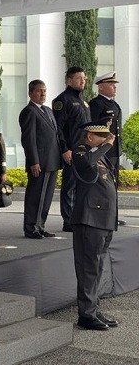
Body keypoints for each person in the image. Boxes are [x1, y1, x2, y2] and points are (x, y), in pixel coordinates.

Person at [70, 121, 119, 331]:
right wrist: (106, 145)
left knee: (96, 268)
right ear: (90, 137)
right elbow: (88, 164)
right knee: (88, 268)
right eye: (102, 137)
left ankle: (93, 309)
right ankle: (86, 315)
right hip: (89, 220)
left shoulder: (99, 155)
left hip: (103, 220)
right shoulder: (81, 153)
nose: (107, 140)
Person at [19, 79, 62, 239]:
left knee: (47, 197)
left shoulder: (48, 111)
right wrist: (34, 161)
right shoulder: (29, 111)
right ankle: (31, 227)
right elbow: (29, 139)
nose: (43, 94)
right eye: (39, 91)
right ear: (30, 93)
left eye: (44, 90)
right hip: (40, 162)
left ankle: (40, 225)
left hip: (52, 160)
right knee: (36, 196)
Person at [52, 67, 90, 232]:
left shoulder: (84, 101)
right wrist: (64, 149)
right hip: (72, 151)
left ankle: (79, 217)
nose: (83, 81)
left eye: (84, 78)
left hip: (85, 151)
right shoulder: (63, 100)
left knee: (82, 186)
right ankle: (68, 220)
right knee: (69, 187)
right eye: (79, 78)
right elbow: (58, 128)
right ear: (69, 80)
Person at [88, 72, 124, 226]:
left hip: (114, 150)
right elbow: (94, 127)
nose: (114, 87)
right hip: (104, 150)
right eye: (111, 84)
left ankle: (113, 215)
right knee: (104, 184)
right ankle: (104, 215)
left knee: (113, 183)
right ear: (101, 87)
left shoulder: (114, 104)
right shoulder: (96, 104)